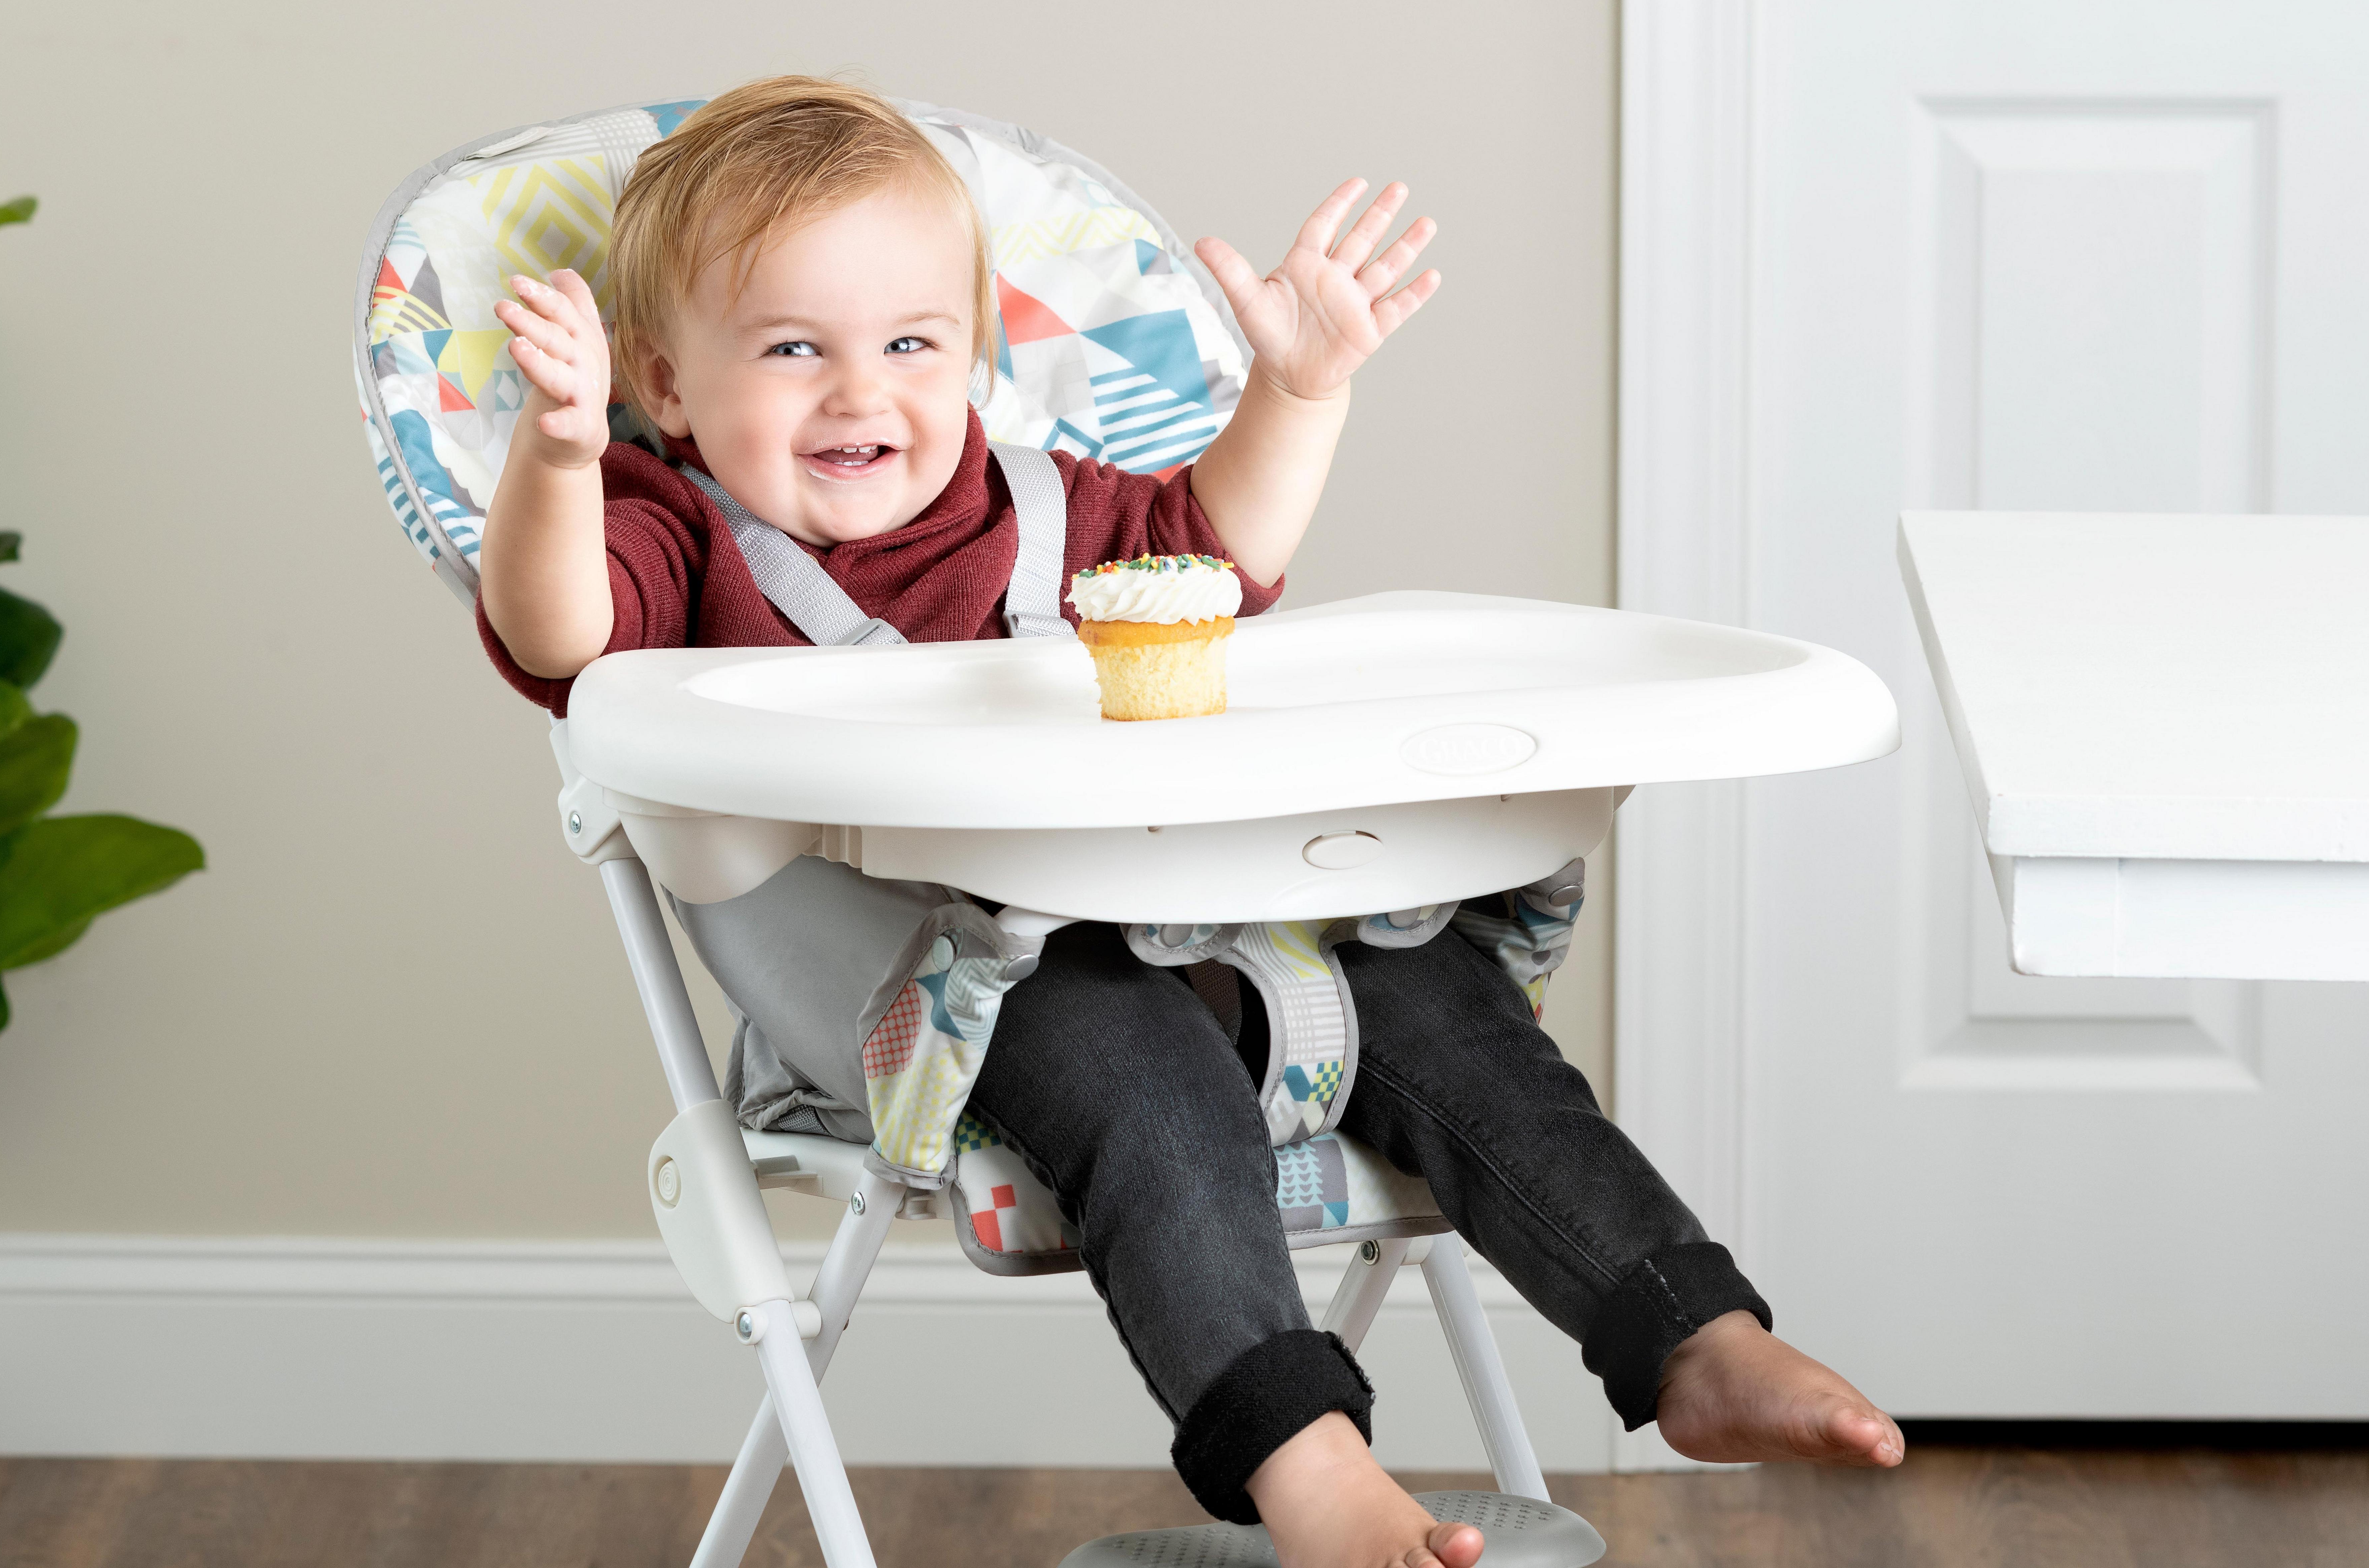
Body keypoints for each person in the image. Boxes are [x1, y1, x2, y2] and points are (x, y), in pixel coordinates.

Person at [480, 77, 1902, 1568]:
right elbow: (568, 637)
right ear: (665, 374)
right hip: (926, 982)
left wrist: (1295, 393)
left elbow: (1211, 561)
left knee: (1441, 1000)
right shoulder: (672, 527)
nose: (859, 391)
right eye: (790, 348)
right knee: (1140, 1068)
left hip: (1213, 915)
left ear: (971, 352)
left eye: (910, 343)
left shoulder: (1036, 504)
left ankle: (1693, 1333)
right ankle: (1311, 1472)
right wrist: (563, 455)